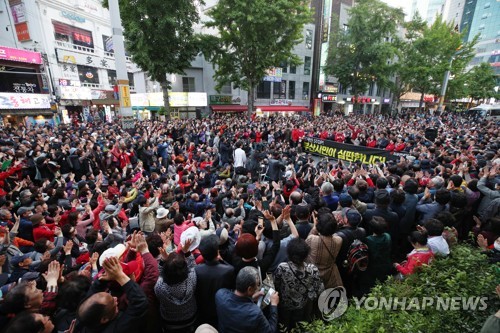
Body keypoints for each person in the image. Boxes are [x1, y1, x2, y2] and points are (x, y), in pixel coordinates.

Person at [77, 256, 148, 333]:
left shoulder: (85, 317)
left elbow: (94, 289)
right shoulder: (117, 329)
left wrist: (104, 278)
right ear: (104, 319)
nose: (115, 298)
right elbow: (140, 302)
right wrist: (120, 276)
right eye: (112, 301)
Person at [273, 237, 324, 331]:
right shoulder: (312, 269)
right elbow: (319, 289)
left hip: (285, 303)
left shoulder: (282, 267)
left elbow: (276, 284)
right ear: (306, 255)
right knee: (299, 325)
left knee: (284, 324)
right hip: (302, 304)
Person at [215, 266, 279, 333]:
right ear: (249, 289)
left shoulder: (220, 295)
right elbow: (270, 331)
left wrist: (251, 298)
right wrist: (274, 305)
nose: (258, 287)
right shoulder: (255, 313)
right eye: (257, 285)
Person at [155, 239, 197, 333]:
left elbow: (160, 274)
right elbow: (192, 266)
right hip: (190, 318)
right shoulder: (191, 279)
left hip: (169, 322)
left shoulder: (160, 287)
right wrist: (186, 251)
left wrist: (163, 260)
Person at [195, 234, 235, 328]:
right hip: (221, 309)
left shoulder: (197, 270)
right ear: (217, 252)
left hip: (202, 309)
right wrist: (222, 260)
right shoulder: (228, 270)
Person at [306, 211, 343, 289]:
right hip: (329, 274)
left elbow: (307, 241)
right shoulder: (338, 240)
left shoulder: (312, 239)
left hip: (313, 272)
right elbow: (334, 234)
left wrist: (315, 227)